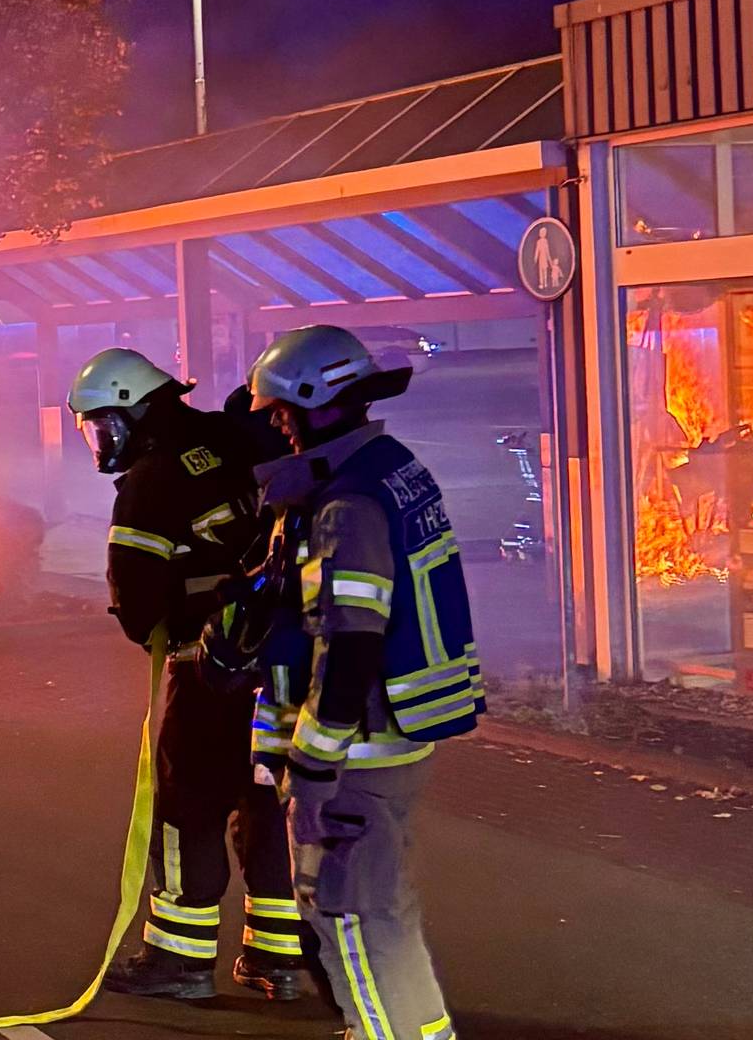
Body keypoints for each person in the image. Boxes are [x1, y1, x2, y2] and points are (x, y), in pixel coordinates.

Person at [244, 325, 482, 1040]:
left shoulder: (346, 506)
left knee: (350, 914)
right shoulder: (392, 467)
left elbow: (349, 644)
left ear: (316, 404)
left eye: (281, 411)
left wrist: (311, 770)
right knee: (383, 910)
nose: (277, 427)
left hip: (357, 751)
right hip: (393, 740)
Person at [66, 348, 310, 1002]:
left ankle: (178, 962)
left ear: (130, 411)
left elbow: (137, 603)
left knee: (187, 805)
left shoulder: (150, 482)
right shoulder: (231, 437)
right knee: (264, 797)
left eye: (101, 425)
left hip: (206, 666)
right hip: (281, 660)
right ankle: (279, 960)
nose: (101, 441)